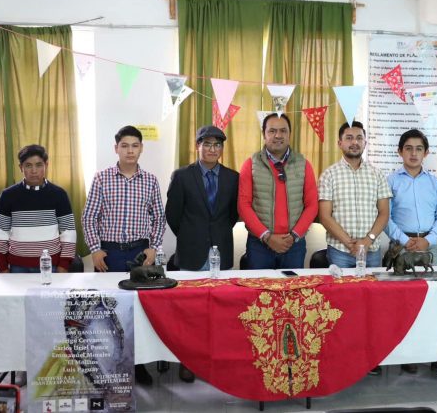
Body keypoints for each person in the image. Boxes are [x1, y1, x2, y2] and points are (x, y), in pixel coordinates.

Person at [82, 125, 166, 385]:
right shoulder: (102, 178)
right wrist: (95, 249)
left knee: (138, 311)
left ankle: (138, 365)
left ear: (141, 148)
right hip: (109, 255)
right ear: (116, 148)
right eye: (125, 146)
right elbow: (89, 217)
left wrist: (153, 247)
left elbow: (159, 218)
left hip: (140, 254)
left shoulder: (150, 180)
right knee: (108, 312)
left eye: (135, 146)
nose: (130, 151)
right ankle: (107, 365)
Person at [165, 125, 239, 383]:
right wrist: (191, 236)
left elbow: (232, 215)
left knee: (219, 311)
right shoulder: (182, 176)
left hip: (221, 251)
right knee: (190, 313)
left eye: (217, 144)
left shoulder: (233, 178)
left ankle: (215, 361)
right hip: (191, 253)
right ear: (197, 146)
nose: (212, 149)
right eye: (206, 144)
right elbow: (173, 215)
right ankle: (188, 362)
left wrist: (215, 234)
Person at [385, 129, 437, 374]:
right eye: (408, 148)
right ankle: (408, 353)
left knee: (436, 299)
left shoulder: (435, 183)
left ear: (426, 153)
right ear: (400, 152)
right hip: (401, 246)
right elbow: (385, 217)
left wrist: (428, 241)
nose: (413, 153)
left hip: (431, 246)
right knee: (405, 303)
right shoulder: (390, 181)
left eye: (419, 149)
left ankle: (435, 354)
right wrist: (405, 240)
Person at [238, 113, 318, 269]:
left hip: (294, 245)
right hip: (259, 245)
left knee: (292, 285)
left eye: (283, 131)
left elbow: (312, 205)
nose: (278, 135)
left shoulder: (304, 164)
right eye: (272, 131)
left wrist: (294, 236)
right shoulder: (251, 164)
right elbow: (243, 205)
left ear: (289, 134)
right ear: (264, 134)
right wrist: (267, 236)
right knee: (259, 284)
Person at [0, 144, 76, 273]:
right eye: (28, 165)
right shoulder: (8, 195)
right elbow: (0, 234)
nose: (34, 171)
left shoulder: (59, 194)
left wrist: (63, 266)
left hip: (50, 266)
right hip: (17, 267)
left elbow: (68, 232)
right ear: (21, 167)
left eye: (39, 165)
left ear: (46, 165)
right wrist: (3, 268)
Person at [318, 121, 391, 268]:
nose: (355, 142)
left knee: (373, 284)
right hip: (340, 251)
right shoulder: (328, 175)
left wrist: (367, 241)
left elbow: (384, 213)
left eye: (359, 138)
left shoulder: (377, 174)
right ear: (340, 143)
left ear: (365, 143)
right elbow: (324, 216)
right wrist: (350, 243)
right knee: (341, 284)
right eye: (349, 138)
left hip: (371, 251)